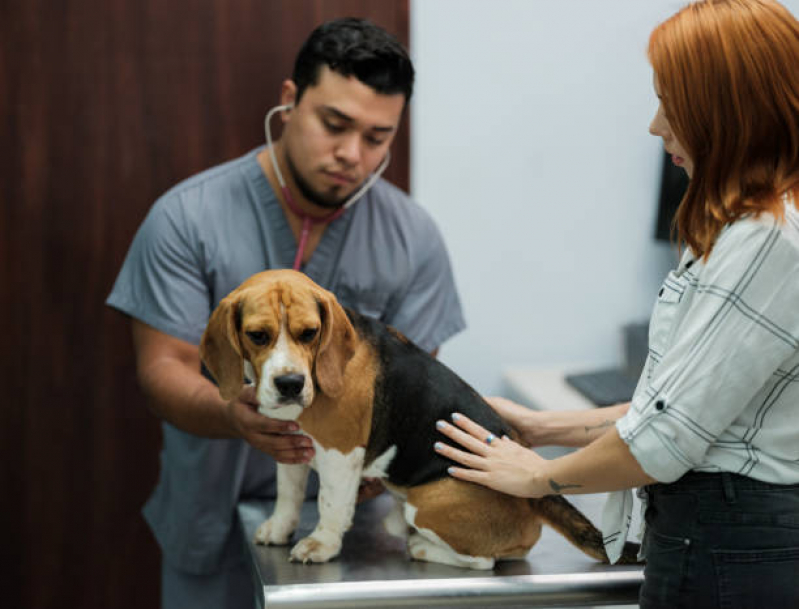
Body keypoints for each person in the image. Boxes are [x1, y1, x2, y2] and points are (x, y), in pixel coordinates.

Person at [434, 1, 799, 607]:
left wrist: (537, 476)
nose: (657, 126)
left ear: (726, 110)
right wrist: (542, 427)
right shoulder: (742, 230)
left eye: (671, 104)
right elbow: (683, 407)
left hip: (728, 544)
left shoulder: (767, 239)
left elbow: (665, 441)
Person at [107, 18, 465, 609]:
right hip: (213, 519)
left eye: (378, 137)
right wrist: (235, 413)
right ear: (290, 101)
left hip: (351, 528)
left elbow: (405, 387)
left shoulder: (413, 239)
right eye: (334, 124)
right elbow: (162, 367)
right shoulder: (186, 220)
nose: (352, 154)